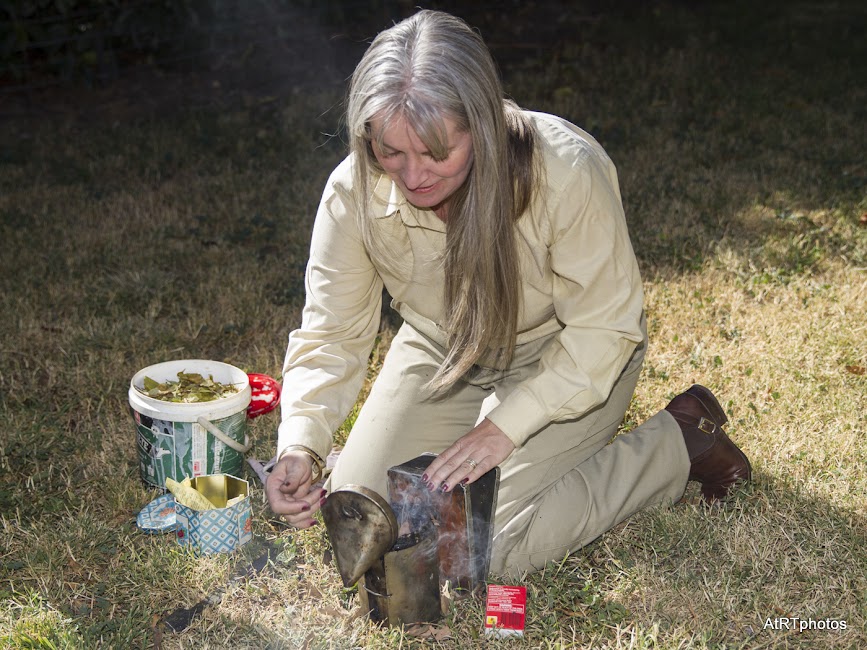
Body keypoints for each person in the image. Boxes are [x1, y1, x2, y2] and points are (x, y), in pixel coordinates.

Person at [265, 9, 751, 575]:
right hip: (443, 349)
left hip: (568, 352)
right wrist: (301, 443)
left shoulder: (565, 171)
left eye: (436, 152)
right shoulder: (352, 192)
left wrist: (504, 428)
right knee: (369, 511)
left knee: (478, 548)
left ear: (482, 123)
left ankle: (677, 443)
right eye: (390, 151)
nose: (413, 176)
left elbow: (604, 329)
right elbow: (331, 331)